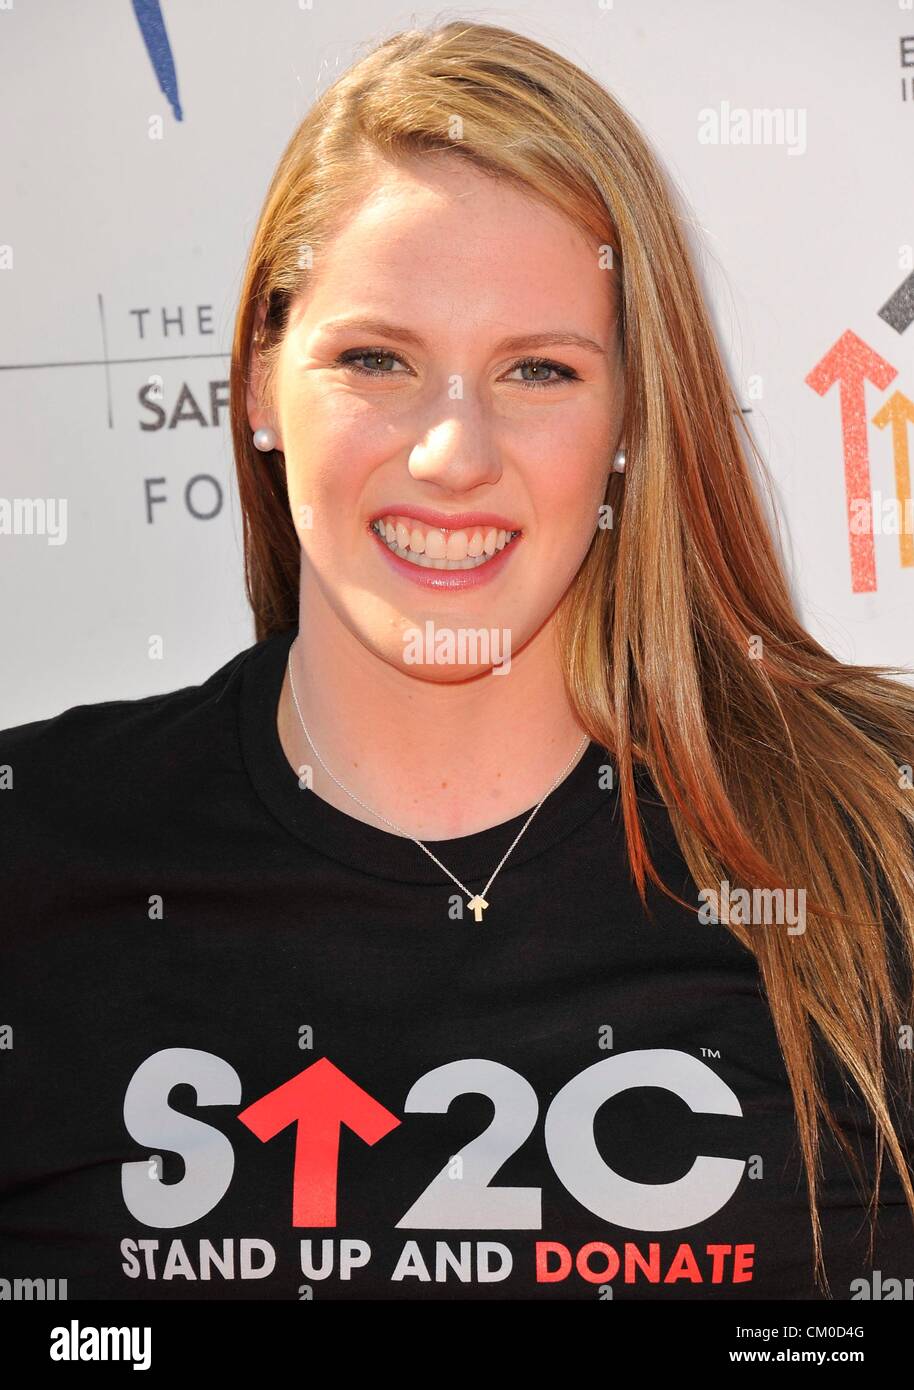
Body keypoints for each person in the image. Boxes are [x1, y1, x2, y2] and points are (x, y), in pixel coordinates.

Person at [1, 18, 913, 1303]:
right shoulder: (38, 850)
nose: (450, 451)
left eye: (536, 369)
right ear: (261, 380)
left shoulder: (875, 845)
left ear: (628, 420)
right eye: (376, 358)